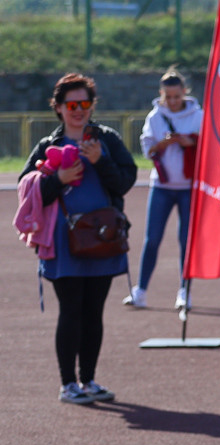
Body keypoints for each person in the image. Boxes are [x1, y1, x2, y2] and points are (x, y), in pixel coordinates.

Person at [18, 72, 137, 404]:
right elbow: (26, 188)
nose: (79, 110)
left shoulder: (107, 139)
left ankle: (89, 380)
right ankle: (67, 384)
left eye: (85, 103)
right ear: (58, 107)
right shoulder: (48, 145)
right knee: (70, 310)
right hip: (62, 241)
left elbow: (126, 181)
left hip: (104, 238)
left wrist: (101, 162)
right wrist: (58, 179)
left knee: (94, 312)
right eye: (72, 104)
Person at [125, 68, 202, 311]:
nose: (172, 101)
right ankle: (141, 291)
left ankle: (184, 292)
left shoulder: (197, 115)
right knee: (152, 239)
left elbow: (209, 146)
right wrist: (164, 143)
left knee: (185, 241)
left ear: (184, 93)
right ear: (161, 95)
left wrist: (191, 142)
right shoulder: (155, 117)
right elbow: (148, 148)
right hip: (161, 185)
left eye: (176, 97)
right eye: (167, 97)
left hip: (188, 187)